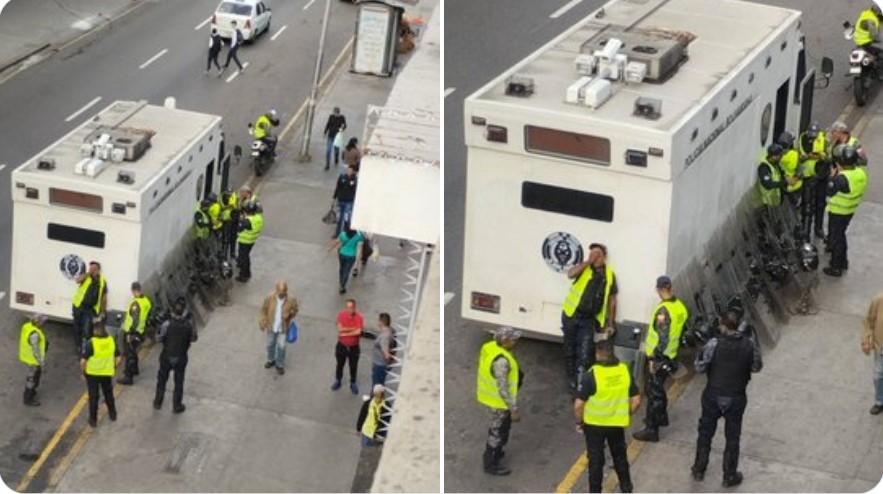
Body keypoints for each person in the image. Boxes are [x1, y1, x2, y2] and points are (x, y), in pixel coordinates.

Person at [690, 307, 763, 487]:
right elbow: (756, 367)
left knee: (706, 432)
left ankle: (699, 469)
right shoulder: (749, 344)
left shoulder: (714, 344)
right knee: (733, 437)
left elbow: (699, 368)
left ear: (722, 325)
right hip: (736, 397)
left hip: (713, 395)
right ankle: (729, 475)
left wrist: (700, 351)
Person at [574, 339, 641, 493]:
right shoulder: (624, 370)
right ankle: (626, 487)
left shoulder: (592, 375)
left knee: (596, 461)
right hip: (616, 425)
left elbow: (578, 405)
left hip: (594, 426)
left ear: (598, 354)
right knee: (620, 456)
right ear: (612, 353)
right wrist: (625, 413)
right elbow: (637, 401)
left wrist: (580, 421)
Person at [633, 276, 689, 443]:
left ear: (658, 289)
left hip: (660, 358)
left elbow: (662, 338)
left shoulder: (663, 311)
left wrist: (653, 359)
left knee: (654, 392)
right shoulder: (680, 307)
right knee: (659, 389)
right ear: (670, 287)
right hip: (671, 356)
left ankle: (652, 429)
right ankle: (661, 417)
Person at [560, 242, 617, 393]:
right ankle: (572, 380)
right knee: (569, 349)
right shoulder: (584, 268)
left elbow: (612, 300)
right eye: (592, 254)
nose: (595, 257)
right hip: (572, 315)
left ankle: (581, 386)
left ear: (604, 257)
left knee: (585, 354)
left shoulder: (609, 275)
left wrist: (610, 323)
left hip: (588, 319)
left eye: (598, 254)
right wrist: (588, 261)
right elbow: (570, 274)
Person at [477, 326, 523, 476]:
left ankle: (496, 453)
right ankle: (491, 463)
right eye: (513, 339)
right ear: (504, 341)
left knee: (501, 429)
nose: (516, 342)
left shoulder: (490, 347)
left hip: (494, 400)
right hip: (499, 403)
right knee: (497, 432)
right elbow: (503, 388)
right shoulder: (501, 362)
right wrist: (513, 408)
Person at [824, 144, 868, 277]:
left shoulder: (841, 179)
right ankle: (843, 261)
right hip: (850, 210)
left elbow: (829, 191)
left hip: (839, 211)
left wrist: (832, 176)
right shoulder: (860, 173)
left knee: (838, 239)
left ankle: (836, 266)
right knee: (841, 235)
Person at [154, 302, 198, 413]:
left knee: (162, 380)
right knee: (179, 382)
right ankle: (177, 405)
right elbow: (194, 338)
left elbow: (158, 338)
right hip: (181, 357)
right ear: (183, 312)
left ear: (173, 312)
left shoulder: (167, 324)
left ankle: (158, 402)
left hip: (167, 356)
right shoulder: (188, 325)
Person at [80, 319, 121, 427]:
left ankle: (93, 420)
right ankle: (113, 413)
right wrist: (113, 367)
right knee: (108, 394)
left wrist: (83, 372)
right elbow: (118, 358)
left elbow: (83, 361)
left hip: (93, 374)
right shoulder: (111, 340)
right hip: (106, 374)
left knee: (94, 397)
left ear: (94, 331)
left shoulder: (91, 343)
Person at [259, 281, 299, 375]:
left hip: (283, 328)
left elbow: (295, 310)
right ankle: (271, 360)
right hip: (271, 326)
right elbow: (263, 310)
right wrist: (262, 320)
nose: (281, 295)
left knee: (281, 346)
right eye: (280, 293)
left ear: (286, 291)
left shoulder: (291, 300)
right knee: (270, 344)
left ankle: (279, 365)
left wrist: (289, 314)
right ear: (276, 291)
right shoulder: (269, 298)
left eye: (283, 293)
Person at [798, 122, 828, 241]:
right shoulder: (802, 139)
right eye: (811, 135)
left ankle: (818, 228)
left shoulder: (824, 140)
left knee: (820, 203)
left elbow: (829, 157)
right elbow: (798, 155)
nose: (812, 137)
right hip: (808, 177)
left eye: (814, 135)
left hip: (821, 176)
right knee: (807, 205)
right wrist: (805, 157)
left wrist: (822, 156)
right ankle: (805, 230)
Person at [117, 282, 152, 385]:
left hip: (133, 332)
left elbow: (135, 320)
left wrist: (130, 334)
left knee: (129, 354)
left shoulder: (136, 304)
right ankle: (135, 370)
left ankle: (128, 377)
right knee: (133, 351)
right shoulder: (146, 301)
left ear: (133, 290)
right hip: (141, 331)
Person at [72, 261, 108, 353]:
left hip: (90, 310)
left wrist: (103, 311)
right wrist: (88, 273)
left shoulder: (103, 281)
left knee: (87, 330)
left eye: (94, 268)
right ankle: (78, 346)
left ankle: (85, 349)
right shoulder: (86, 277)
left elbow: (103, 297)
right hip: (78, 306)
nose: (92, 270)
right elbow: (77, 280)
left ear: (98, 270)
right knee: (77, 327)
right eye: (90, 268)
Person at [332, 298, 364, 395]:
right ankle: (338, 380)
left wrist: (345, 333)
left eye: (350, 307)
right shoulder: (341, 315)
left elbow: (358, 332)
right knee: (339, 365)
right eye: (347, 307)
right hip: (342, 346)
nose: (348, 309)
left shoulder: (359, 317)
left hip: (354, 347)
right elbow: (340, 329)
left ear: (354, 307)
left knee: (353, 366)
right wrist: (353, 330)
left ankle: (353, 383)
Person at [861, 292, 883, 415]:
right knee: (878, 376)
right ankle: (880, 402)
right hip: (882, 349)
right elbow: (868, 321)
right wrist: (866, 340)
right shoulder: (879, 300)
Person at [20, 314, 49, 407]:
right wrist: (41, 363)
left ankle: (31, 392)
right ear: (38, 322)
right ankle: (28, 398)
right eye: (43, 321)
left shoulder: (28, 326)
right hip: (33, 360)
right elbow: (36, 350)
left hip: (29, 358)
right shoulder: (35, 335)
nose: (44, 323)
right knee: (32, 379)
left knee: (33, 378)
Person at [328, 227, 364, 294]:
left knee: (342, 268)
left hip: (342, 253)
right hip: (351, 256)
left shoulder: (343, 234)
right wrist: (358, 260)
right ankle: (342, 286)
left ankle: (341, 280)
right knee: (347, 271)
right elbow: (360, 247)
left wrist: (331, 248)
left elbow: (337, 241)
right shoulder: (359, 236)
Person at [236, 200, 264, 282]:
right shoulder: (258, 218)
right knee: (246, 257)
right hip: (252, 241)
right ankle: (246, 272)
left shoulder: (246, 221)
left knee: (244, 258)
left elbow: (238, 229)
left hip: (245, 241)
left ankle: (244, 275)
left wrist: (241, 218)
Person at [853, 4, 883, 79]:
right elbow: (875, 36)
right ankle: (880, 74)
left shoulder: (866, 13)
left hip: (858, 40)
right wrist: (879, 40)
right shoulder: (872, 21)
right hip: (867, 42)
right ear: (878, 13)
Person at [777, 131, 802, 206]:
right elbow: (800, 173)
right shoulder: (795, 154)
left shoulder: (774, 154)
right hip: (793, 187)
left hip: (780, 186)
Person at [332, 165, 358, 237]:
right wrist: (334, 198)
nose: (349, 171)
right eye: (348, 170)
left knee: (347, 219)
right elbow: (338, 187)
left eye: (350, 170)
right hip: (341, 200)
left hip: (349, 201)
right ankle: (337, 233)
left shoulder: (355, 180)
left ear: (353, 172)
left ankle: (346, 234)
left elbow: (355, 191)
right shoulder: (342, 177)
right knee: (339, 218)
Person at [371, 313, 395, 387]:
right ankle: (373, 398)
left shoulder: (384, 337)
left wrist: (388, 363)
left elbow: (386, 353)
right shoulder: (390, 331)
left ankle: (377, 398)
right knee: (378, 384)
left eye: (379, 321)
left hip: (380, 365)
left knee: (377, 385)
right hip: (380, 364)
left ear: (381, 322)